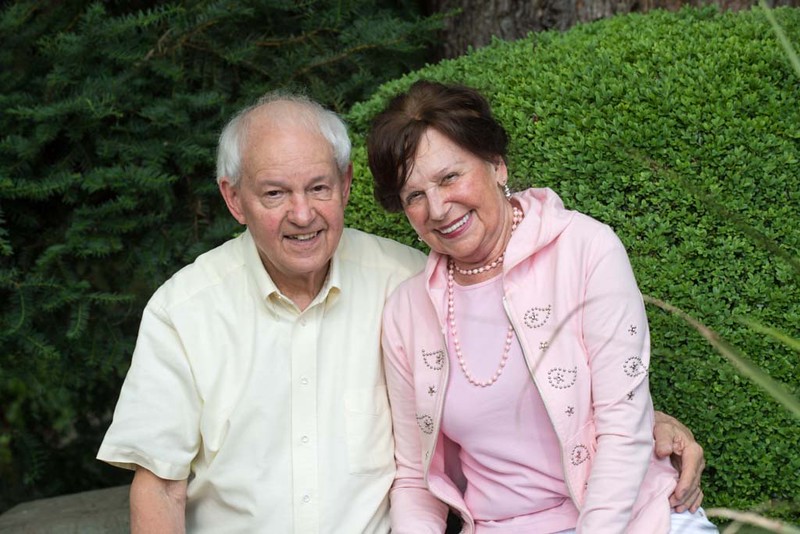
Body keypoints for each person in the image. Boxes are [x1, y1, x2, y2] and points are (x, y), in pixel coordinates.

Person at [97, 90, 705, 533]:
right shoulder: (189, 310)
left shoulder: (406, 277)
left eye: (317, 188)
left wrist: (643, 417)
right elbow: (159, 486)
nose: (303, 214)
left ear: (346, 185)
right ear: (235, 200)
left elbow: (585, 399)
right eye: (275, 194)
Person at [367, 80, 718, 533]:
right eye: (414, 195)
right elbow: (415, 479)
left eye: (449, 177)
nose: (436, 208)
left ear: (496, 164)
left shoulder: (586, 250)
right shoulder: (407, 311)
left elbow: (623, 427)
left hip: (630, 520)